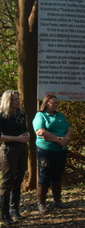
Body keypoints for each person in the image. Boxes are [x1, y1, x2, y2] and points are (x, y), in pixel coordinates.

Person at [32, 95, 73, 213]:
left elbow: (69, 129)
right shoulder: (40, 115)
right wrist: (57, 139)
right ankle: (41, 203)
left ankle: (57, 201)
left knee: (58, 174)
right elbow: (40, 131)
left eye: (56, 103)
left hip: (61, 150)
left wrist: (65, 139)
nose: (55, 104)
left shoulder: (61, 116)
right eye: (52, 103)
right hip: (46, 149)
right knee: (45, 175)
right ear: (46, 103)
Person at [0, 90, 29, 225]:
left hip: (22, 149)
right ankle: (4, 214)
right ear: (8, 102)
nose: (18, 102)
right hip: (9, 150)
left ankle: (15, 210)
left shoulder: (21, 113)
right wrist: (16, 139)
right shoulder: (2, 115)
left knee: (18, 180)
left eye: (18, 99)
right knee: (7, 182)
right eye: (14, 100)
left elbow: (24, 128)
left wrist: (27, 134)